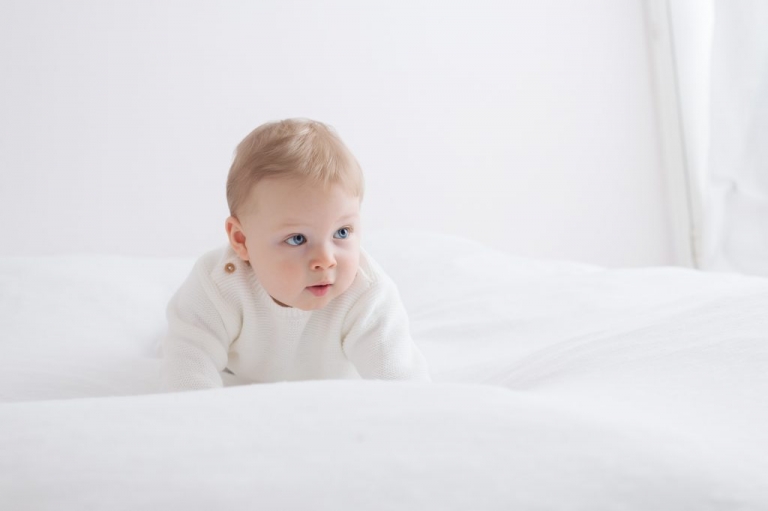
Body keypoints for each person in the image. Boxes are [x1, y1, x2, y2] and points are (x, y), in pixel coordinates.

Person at [162, 118, 431, 390]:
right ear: (242, 240)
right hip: (238, 379)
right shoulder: (219, 283)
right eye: (297, 239)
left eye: (342, 232)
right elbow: (188, 358)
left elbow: (403, 384)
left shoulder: (367, 293)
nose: (326, 260)